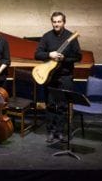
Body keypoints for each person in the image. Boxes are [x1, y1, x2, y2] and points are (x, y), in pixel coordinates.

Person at [34, 11, 82, 143]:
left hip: (65, 76)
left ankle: (60, 132)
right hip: (50, 77)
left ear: (64, 22)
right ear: (52, 22)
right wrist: (50, 54)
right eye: (54, 22)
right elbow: (37, 54)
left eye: (59, 21)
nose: (56, 24)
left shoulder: (71, 37)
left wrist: (64, 58)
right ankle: (50, 132)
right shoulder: (46, 36)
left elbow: (78, 57)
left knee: (62, 106)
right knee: (50, 105)